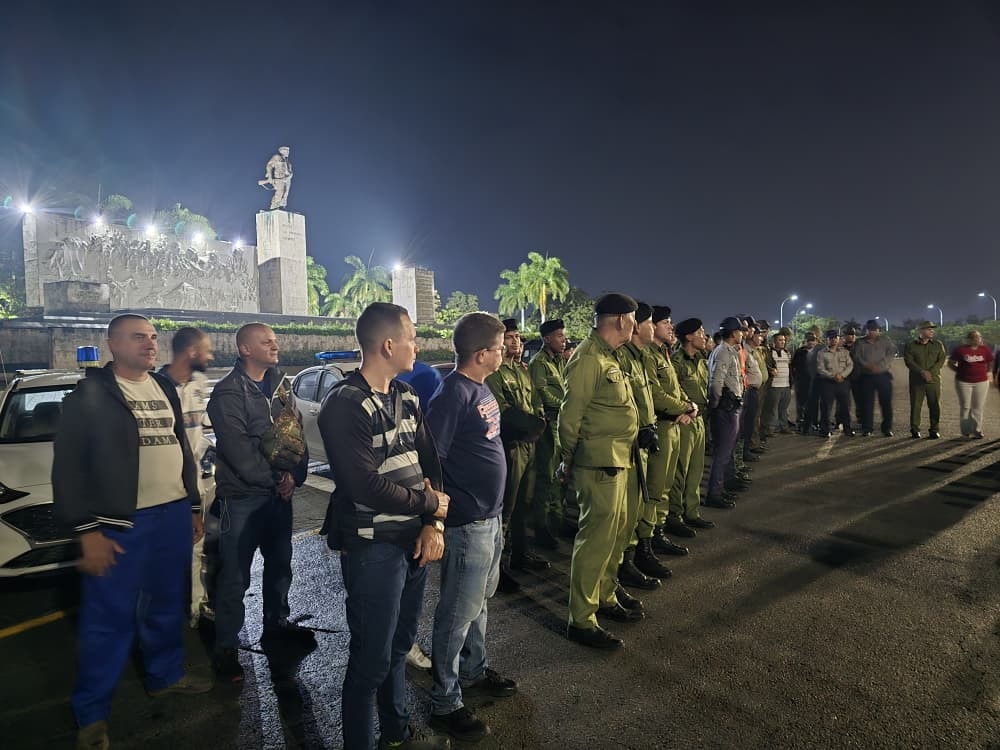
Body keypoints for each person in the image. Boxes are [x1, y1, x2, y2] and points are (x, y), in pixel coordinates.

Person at [52, 314, 211, 750]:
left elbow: (181, 447)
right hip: (122, 524)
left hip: (172, 514)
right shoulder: (90, 395)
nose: (150, 344)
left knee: (166, 604)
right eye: (138, 337)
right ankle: (92, 714)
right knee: (108, 619)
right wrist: (88, 531)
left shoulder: (163, 388)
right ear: (112, 343)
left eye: (154, 337)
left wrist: (192, 505)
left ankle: (164, 675)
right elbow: (67, 469)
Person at [319, 302, 451, 750]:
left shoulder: (407, 396)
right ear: (388, 344)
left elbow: (430, 462)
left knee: (398, 647)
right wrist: (428, 502)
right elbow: (362, 485)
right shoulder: (345, 403)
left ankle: (396, 733)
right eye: (412, 337)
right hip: (374, 547)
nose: (419, 345)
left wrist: (432, 521)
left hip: (414, 541)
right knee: (370, 662)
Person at [425, 313, 517, 743]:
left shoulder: (480, 388)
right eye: (500, 347)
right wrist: (437, 520)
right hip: (467, 522)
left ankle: (475, 671)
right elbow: (433, 460)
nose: (506, 351)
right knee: (457, 614)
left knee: (479, 601)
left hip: (490, 516)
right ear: (482, 354)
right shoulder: (452, 395)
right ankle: (445, 701)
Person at [207, 323, 313, 683]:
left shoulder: (281, 387)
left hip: (277, 498)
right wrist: (277, 480)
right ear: (244, 349)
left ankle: (276, 627)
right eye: (266, 341)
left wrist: (295, 476)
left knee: (281, 566)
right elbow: (239, 453)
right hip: (242, 499)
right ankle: (226, 648)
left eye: (275, 339)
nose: (275, 344)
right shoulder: (227, 394)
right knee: (235, 577)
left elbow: (297, 434)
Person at [558, 293, 639, 650]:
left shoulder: (611, 356)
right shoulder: (588, 358)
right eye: (633, 319)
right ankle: (581, 619)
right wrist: (569, 460)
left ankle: (605, 597)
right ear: (621, 320)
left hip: (619, 458)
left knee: (615, 535)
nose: (635, 326)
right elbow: (570, 416)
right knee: (595, 541)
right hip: (597, 462)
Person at [485, 319, 547, 591]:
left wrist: (538, 423)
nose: (516, 342)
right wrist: (533, 426)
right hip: (511, 446)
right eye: (510, 337)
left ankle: (520, 554)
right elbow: (504, 411)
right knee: (506, 509)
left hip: (529, 445)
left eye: (518, 337)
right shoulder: (495, 375)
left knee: (525, 502)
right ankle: (497, 569)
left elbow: (535, 402)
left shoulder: (522, 372)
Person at [160, 327, 215, 628]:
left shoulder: (200, 383)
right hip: (167, 486)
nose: (211, 355)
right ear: (192, 352)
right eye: (207, 349)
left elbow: (200, 432)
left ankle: (196, 606)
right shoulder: (157, 386)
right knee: (168, 551)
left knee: (198, 544)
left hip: (196, 484)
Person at [669, 318, 715, 531]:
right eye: (700, 332)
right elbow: (673, 391)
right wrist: (685, 409)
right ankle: (675, 515)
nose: (704, 336)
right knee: (681, 471)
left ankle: (692, 511)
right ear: (688, 337)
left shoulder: (701, 360)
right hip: (684, 421)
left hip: (700, 420)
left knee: (696, 469)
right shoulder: (676, 362)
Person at [528, 318, 568, 548]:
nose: (564, 340)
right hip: (548, 425)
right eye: (559, 336)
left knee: (560, 477)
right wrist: (567, 403)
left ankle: (558, 521)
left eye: (564, 336)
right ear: (547, 338)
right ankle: (542, 527)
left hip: (561, 424)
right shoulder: (539, 363)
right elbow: (542, 394)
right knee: (546, 477)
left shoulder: (559, 362)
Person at [705, 317, 745, 508]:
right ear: (733, 332)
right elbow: (716, 383)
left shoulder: (728, 351)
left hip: (729, 407)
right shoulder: (723, 352)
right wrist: (716, 404)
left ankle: (724, 486)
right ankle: (715, 493)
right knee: (722, 453)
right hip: (725, 409)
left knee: (726, 451)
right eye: (740, 331)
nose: (742, 334)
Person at [903, 321, 947, 439]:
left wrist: (930, 373)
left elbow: (941, 360)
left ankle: (934, 429)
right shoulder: (911, 345)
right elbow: (909, 361)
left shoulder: (938, 344)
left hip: (933, 380)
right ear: (921, 331)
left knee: (934, 405)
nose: (932, 331)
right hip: (917, 381)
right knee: (916, 406)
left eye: (932, 329)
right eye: (929, 329)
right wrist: (922, 372)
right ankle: (915, 429)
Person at [853, 320, 896, 437]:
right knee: (866, 404)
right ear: (866, 330)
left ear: (878, 330)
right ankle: (867, 428)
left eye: (875, 330)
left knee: (886, 403)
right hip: (866, 377)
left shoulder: (885, 341)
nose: (872, 332)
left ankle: (887, 428)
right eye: (870, 330)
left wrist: (880, 366)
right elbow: (857, 357)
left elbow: (891, 354)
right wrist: (867, 365)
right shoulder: (859, 342)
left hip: (883, 376)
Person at [948, 330, 994, 438]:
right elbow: (950, 363)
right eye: (976, 337)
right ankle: (966, 431)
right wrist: (959, 371)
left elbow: (990, 361)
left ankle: (977, 430)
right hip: (963, 382)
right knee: (965, 407)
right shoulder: (960, 350)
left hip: (981, 382)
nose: (979, 339)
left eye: (979, 337)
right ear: (970, 339)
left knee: (978, 407)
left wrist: (988, 372)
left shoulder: (984, 349)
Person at [815, 329, 855, 437]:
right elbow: (820, 368)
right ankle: (825, 430)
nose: (833, 340)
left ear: (838, 339)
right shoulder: (821, 353)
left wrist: (842, 375)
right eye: (831, 338)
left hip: (843, 383)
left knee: (845, 407)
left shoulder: (845, 352)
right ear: (827, 340)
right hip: (828, 383)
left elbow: (850, 365)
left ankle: (848, 429)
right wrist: (833, 376)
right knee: (826, 408)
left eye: (835, 338)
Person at [763, 332, 792, 435]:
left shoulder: (787, 353)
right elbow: (765, 366)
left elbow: (790, 367)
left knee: (783, 408)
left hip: (786, 385)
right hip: (774, 385)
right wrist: (771, 371)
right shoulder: (769, 353)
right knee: (772, 409)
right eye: (780, 340)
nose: (782, 342)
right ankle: (770, 428)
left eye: (784, 340)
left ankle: (784, 427)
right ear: (774, 341)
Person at [790, 333, 817, 432]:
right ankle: (800, 422)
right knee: (801, 404)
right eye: (809, 340)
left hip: (815, 382)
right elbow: (793, 366)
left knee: (813, 404)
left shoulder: (819, 352)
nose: (811, 342)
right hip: (801, 382)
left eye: (813, 340)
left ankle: (813, 423)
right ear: (806, 341)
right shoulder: (799, 352)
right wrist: (795, 378)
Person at [260, 145, 293, 210]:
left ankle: (282, 205)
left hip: (287, 179)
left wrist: (289, 176)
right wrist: (270, 176)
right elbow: (269, 165)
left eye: (288, 151)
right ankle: (274, 206)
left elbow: (290, 171)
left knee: (286, 193)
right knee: (280, 191)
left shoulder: (288, 162)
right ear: (282, 151)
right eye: (286, 151)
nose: (288, 152)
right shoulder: (277, 157)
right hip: (279, 178)